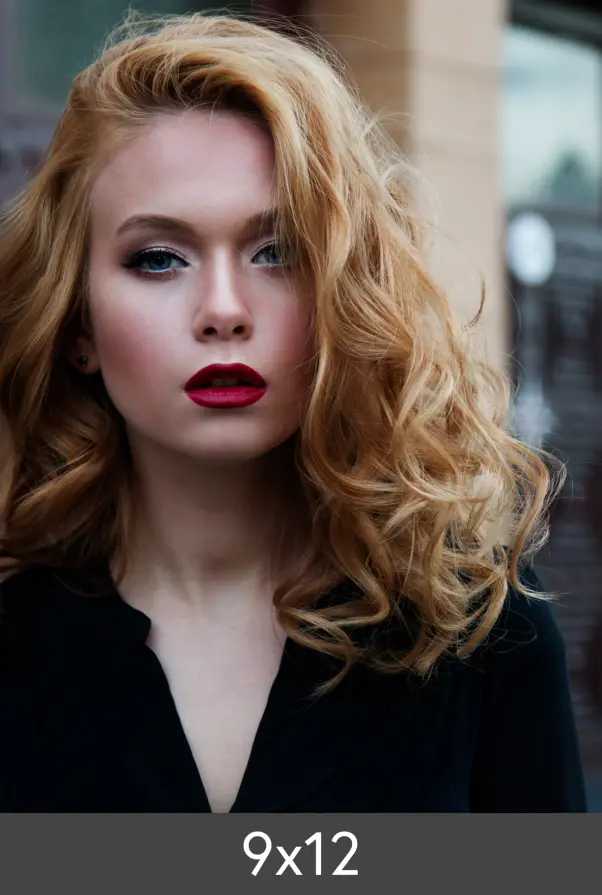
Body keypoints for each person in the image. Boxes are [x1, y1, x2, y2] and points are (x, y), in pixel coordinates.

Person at [0, 12, 586, 813]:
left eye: (278, 252)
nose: (223, 310)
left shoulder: (479, 629)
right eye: (158, 258)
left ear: (343, 294)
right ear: (77, 325)